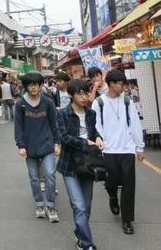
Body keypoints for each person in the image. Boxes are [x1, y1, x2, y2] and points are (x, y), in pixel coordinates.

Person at [92, 69, 145, 235]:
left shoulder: (127, 102)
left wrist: (139, 147)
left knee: (129, 184)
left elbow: (135, 124)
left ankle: (127, 219)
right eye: (121, 84)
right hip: (108, 149)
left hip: (127, 148)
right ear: (112, 84)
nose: (124, 87)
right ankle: (113, 196)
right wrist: (100, 142)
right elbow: (96, 125)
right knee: (111, 181)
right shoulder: (99, 103)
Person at [57, 79, 105, 250]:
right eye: (80, 93)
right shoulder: (63, 114)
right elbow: (64, 137)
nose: (84, 97)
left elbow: (93, 131)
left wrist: (98, 137)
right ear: (71, 95)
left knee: (86, 206)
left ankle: (80, 234)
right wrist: (86, 143)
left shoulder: (91, 113)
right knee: (78, 205)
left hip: (87, 164)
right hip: (69, 165)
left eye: (86, 93)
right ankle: (86, 244)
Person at [14, 72, 61, 222]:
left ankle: (51, 206)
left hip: (47, 145)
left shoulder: (48, 102)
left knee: (50, 176)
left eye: (36, 84)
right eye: (30, 85)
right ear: (26, 87)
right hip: (29, 147)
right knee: (34, 178)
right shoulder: (20, 104)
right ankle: (40, 204)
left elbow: (54, 124)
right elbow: (18, 127)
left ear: (41, 86)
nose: (33, 87)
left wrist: (57, 142)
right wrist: (20, 145)